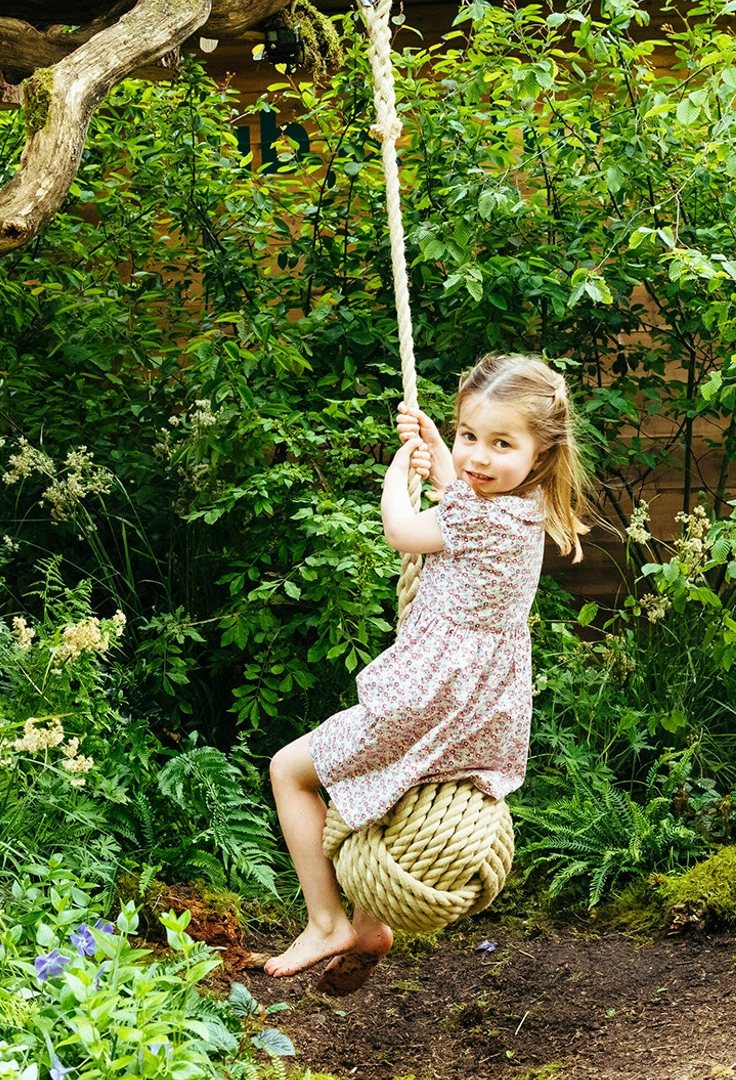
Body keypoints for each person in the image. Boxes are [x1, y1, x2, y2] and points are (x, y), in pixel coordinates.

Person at [263, 353, 591, 990]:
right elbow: (465, 497)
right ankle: (368, 923)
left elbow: (403, 531)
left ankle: (326, 920)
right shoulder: (524, 511)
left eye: (501, 443)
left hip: (428, 698)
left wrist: (398, 470)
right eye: (471, 435)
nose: (478, 457)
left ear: (541, 455)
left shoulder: (477, 516)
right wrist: (443, 453)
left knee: (289, 771)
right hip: (483, 708)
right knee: (396, 790)